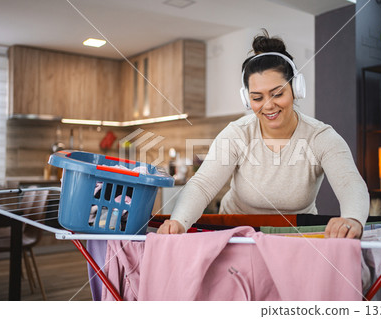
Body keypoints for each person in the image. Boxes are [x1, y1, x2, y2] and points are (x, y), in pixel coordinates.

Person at [158, 30, 369, 238]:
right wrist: (179, 221)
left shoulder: (320, 137)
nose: (268, 106)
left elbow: (350, 183)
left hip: (295, 236)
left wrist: (352, 218)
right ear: (247, 99)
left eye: (277, 94)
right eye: (257, 98)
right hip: (237, 234)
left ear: (296, 88)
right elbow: (203, 185)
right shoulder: (237, 134)